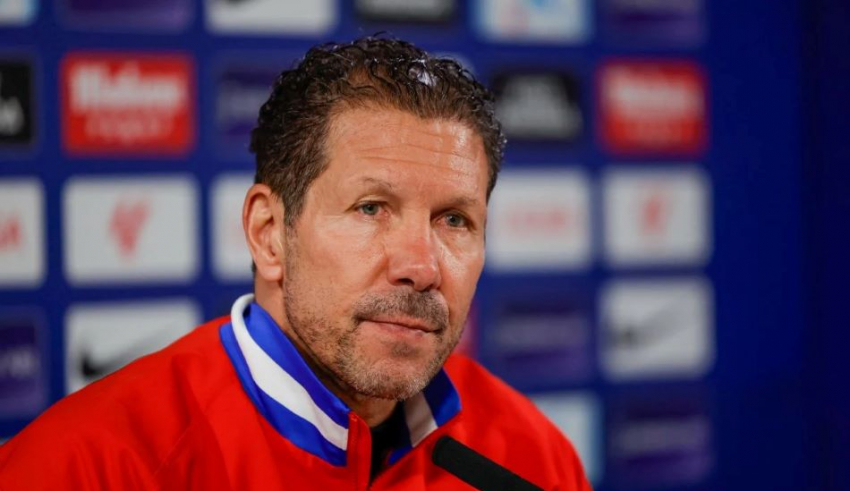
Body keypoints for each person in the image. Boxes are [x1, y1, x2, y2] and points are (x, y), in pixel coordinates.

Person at [0, 37, 591, 491]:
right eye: (371, 208)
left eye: (455, 220)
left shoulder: (532, 456)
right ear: (268, 235)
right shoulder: (85, 467)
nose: (421, 266)